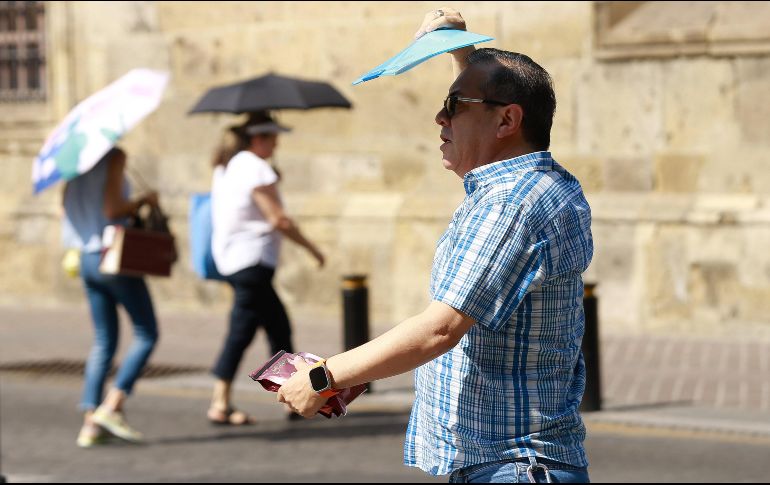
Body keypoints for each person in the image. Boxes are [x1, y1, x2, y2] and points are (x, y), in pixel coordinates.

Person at [277, 7, 593, 483]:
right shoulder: (527, 187)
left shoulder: (512, 204)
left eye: (456, 105)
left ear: (508, 120)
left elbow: (439, 330)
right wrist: (459, 51)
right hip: (505, 465)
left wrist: (323, 377)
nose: (440, 117)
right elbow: (488, 118)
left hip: (513, 466)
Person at [208, 111, 325, 425]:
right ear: (258, 138)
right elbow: (279, 219)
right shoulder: (254, 167)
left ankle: (272, 398)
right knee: (248, 331)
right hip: (252, 261)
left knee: (269, 328)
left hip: (235, 260)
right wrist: (313, 248)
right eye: (273, 138)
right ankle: (224, 401)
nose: (277, 144)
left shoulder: (230, 165)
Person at [62, 146, 161, 448]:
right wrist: (142, 201)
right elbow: (111, 208)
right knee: (146, 332)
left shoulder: (72, 161)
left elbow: (67, 209)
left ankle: (90, 424)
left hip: (85, 256)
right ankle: (111, 405)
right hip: (112, 253)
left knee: (104, 340)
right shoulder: (113, 156)